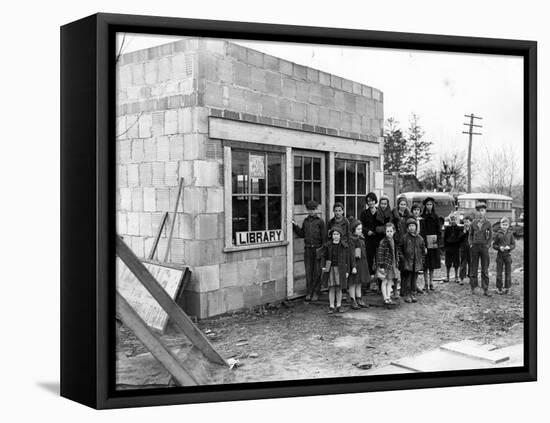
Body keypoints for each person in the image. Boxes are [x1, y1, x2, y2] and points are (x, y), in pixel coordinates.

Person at [292, 200, 326, 302]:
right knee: (308, 271)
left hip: (318, 249)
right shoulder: (305, 221)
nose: (311, 212)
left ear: (316, 209)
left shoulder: (320, 222)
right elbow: (302, 234)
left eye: (313, 209)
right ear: (307, 210)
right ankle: (309, 292)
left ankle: (316, 292)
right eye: (310, 210)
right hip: (308, 249)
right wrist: (295, 225)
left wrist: (323, 250)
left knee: (317, 271)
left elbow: (324, 238)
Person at [319, 226, 350, 314]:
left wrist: (347, 271)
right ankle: (332, 306)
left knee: (339, 288)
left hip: (341, 269)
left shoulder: (344, 246)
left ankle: (339, 305)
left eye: (337, 234)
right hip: (330, 269)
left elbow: (347, 260)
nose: (335, 236)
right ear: (332, 235)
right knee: (331, 288)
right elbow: (324, 256)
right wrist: (323, 266)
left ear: (340, 236)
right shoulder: (328, 245)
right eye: (334, 234)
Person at [469, 202, 493, 296]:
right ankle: (473, 288)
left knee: (485, 268)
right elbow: (470, 235)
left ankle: (485, 288)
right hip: (474, 247)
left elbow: (491, 236)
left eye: (482, 210)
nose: (480, 213)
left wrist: (487, 245)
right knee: (473, 268)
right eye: (479, 211)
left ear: (485, 212)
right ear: (477, 212)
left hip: (484, 247)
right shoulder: (473, 223)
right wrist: (471, 244)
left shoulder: (488, 223)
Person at [399, 218, 426, 303]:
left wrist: (422, 260)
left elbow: (422, 250)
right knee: (407, 279)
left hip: (416, 263)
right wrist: (402, 258)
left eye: (413, 226)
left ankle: (413, 293)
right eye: (410, 226)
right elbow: (400, 249)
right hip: (407, 262)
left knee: (414, 279)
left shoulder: (420, 238)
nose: (411, 228)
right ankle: (407, 294)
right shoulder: (404, 238)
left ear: (416, 227)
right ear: (407, 227)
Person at [348, 220, 370, 309]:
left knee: (359, 282)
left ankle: (359, 298)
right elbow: (352, 254)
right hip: (355, 264)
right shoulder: (352, 240)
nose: (360, 231)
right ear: (353, 230)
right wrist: (353, 266)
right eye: (358, 229)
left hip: (362, 263)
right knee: (353, 282)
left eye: (361, 229)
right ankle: (353, 299)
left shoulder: (361, 238)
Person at [420, 197, 441, 291]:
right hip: (424, 241)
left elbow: (439, 230)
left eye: (431, 204)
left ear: (433, 206)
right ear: (425, 206)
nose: (429, 206)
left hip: (433, 242)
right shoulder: (422, 217)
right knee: (425, 264)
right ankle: (425, 283)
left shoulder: (436, 217)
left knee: (432, 264)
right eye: (427, 204)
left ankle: (431, 282)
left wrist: (438, 240)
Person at [376, 223, 400, 306]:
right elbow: (380, 254)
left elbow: (396, 252)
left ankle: (389, 296)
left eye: (391, 231)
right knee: (384, 280)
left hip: (392, 264)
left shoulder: (394, 241)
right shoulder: (383, 242)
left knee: (390, 280)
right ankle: (385, 297)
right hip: (385, 265)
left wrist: (397, 262)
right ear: (385, 232)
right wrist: (381, 266)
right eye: (387, 231)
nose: (389, 233)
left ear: (394, 231)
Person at [492, 217, 516, 294]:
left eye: (506, 224)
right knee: (499, 272)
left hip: (508, 256)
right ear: (500, 225)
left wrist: (510, 247)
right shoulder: (498, 234)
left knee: (508, 272)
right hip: (500, 256)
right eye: (503, 224)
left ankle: (507, 288)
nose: (504, 226)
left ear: (508, 225)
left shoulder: (510, 234)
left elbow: (513, 244)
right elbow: (494, 245)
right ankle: (499, 288)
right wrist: (499, 247)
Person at [360, 192, 379, 278]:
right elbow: (361, 226)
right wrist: (367, 231)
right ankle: (368, 281)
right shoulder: (364, 213)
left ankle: (379, 282)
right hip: (368, 240)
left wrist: (377, 231)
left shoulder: (380, 212)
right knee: (369, 260)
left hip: (378, 239)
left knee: (379, 260)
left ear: (375, 201)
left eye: (372, 201)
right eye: (368, 201)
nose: (370, 203)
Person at [443, 212, 463, 283]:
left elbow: (460, 238)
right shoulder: (447, 228)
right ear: (450, 220)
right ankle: (447, 276)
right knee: (448, 263)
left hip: (456, 247)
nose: (453, 221)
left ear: (456, 220)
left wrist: (459, 246)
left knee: (456, 263)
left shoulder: (459, 228)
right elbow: (444, 238)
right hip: (448, 247)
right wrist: (445, 247)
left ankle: (456, 277)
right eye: (452, 219)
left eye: (454, 219)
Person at [409, 203, 424, 295]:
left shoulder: (422, 221)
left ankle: (415, 285)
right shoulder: (410, 220)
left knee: (417, 267)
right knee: (411, 267)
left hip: (419, 245)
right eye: (414, 210)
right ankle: (411, 286)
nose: (416, 211)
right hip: (411, 245)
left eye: (418, 210)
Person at [459, 215, 473, 285]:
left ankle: (471, 278)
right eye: (465, 222)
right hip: (463, 248)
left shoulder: (473, 230)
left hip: (471, 249)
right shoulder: (461, 229)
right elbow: (458, 238)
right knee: (463, 263)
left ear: (471, 222)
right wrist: (464, 232)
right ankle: (461, 278)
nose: (466, 223)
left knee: (471, 263)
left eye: (467, 222)